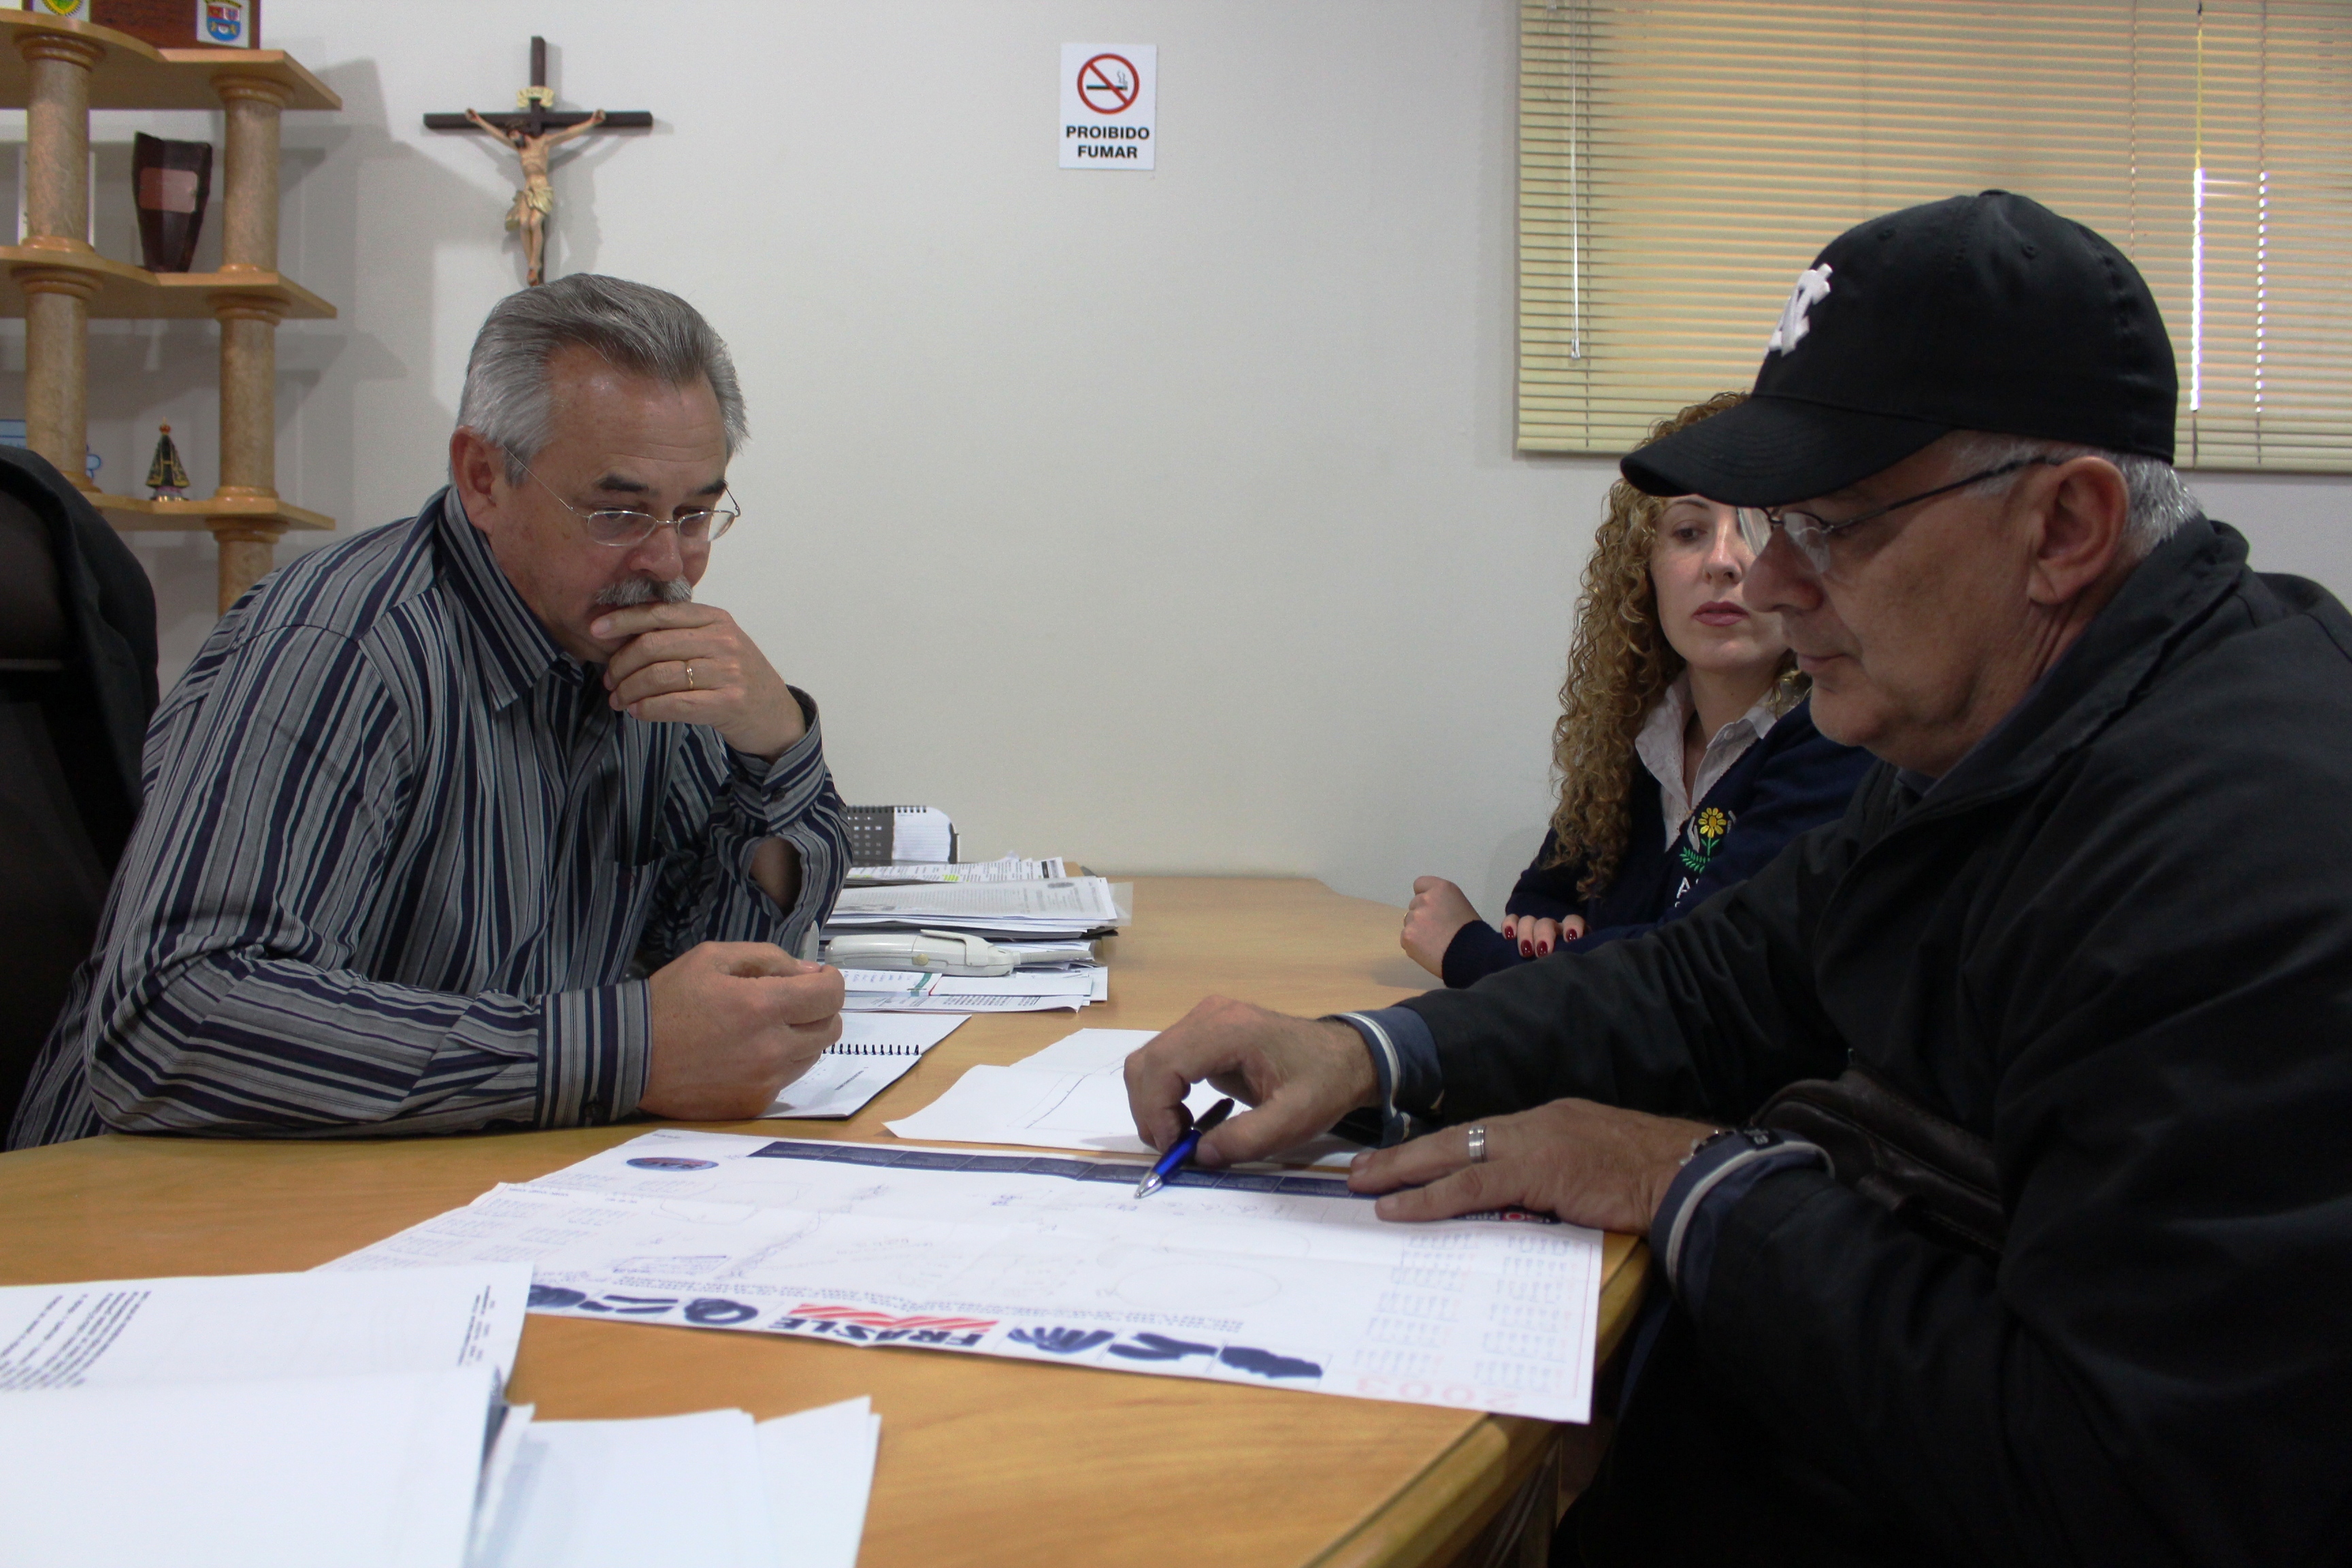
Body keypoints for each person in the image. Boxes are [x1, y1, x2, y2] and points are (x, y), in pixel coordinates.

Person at [1125, 191, 2352, 1563]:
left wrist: (1688, 1181)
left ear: (2063, 528)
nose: (1765, 589)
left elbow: (2139, 1489)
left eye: (1827, 527)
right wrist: (1368, 1051)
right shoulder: (1983, 729)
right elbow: (1719, 977)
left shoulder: (2249, 855)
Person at [10, 274, 851, 1148]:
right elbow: (174, 1019)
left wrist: (774, 744)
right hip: (146, 1220)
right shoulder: (342, 647)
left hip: (447, 1191)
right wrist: (622, 1050)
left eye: (697, 513)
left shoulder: (632, 649)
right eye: (618, 511)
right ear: (483, 478)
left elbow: (711, 989)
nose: (669, 562)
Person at [1401, 394, 1871, 985]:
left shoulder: (1837, 739)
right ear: (1643, 572)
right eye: (1690, 531)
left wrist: (1469, 951)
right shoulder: (1644, 735)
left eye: (1757, 527)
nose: (1723, 562)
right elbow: (1548, 884)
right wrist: (1544, 924)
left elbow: (1692, 967)